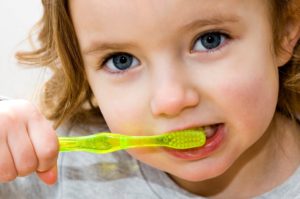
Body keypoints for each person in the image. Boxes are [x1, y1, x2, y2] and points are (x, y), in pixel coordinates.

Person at [1, 0, 300, 198]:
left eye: (210, 40)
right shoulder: (57, 166)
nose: (171, 100)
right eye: (121, 61)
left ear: (285, 29)